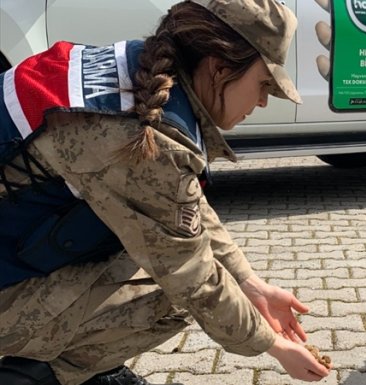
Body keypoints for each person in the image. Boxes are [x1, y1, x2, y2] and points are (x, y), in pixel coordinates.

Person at [0, 0, 330, 384]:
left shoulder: (137, 71)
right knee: (174, 296)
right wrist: (272, 345)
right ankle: (45, 376)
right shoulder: (143, 135)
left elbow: (182, 207)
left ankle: (82, 360)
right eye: (263, 84)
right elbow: (193, 277)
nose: (261, 101)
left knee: (157, 255)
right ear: (219, 68)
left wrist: (250, 283)